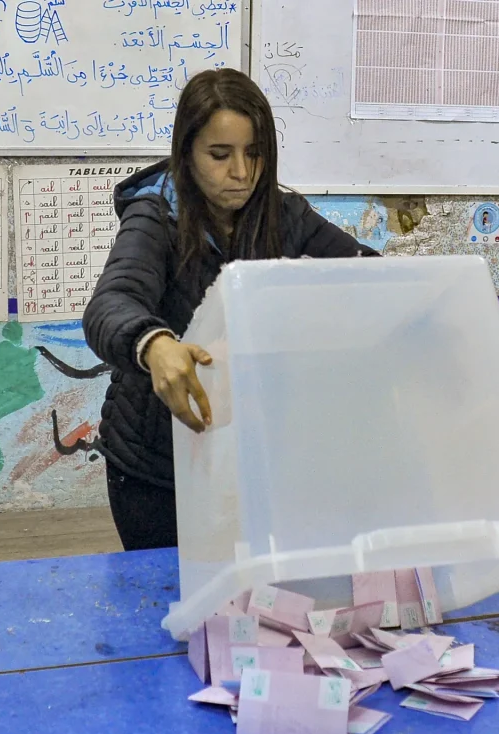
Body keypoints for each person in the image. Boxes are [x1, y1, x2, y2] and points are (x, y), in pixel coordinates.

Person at [84, 68, 378, 551]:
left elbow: (366, 274)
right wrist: (156, 345)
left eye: (255, 154)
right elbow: (112, 303)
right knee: (169, 600)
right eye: (219, 155)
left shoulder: (286, 216)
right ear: (187, 154)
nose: (241, 172)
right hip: (158, 465)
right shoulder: (155, 215)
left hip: (251, 459)